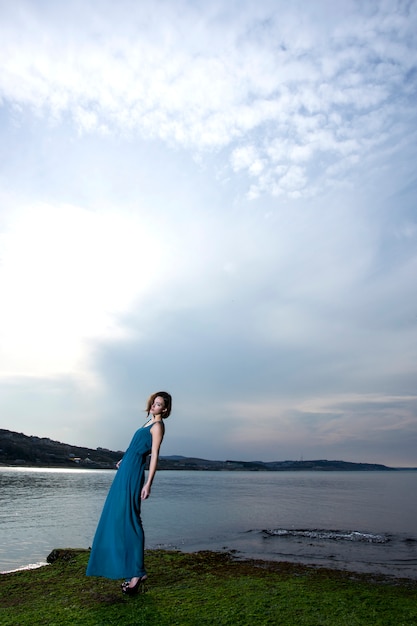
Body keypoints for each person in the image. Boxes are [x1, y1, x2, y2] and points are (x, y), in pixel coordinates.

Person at [86, 391, 172, 594]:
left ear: (165, 409)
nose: (154, 405)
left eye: (158, 404)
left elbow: (154, 456)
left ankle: (137, 572)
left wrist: (148, 484)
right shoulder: (147, 423)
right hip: (126, 469)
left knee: (131, 519)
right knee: (116, 516)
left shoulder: (158, 426)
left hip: (134, 473)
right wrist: (124, 459)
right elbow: (135, 447)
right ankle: (128, 566)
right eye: (153, 402)